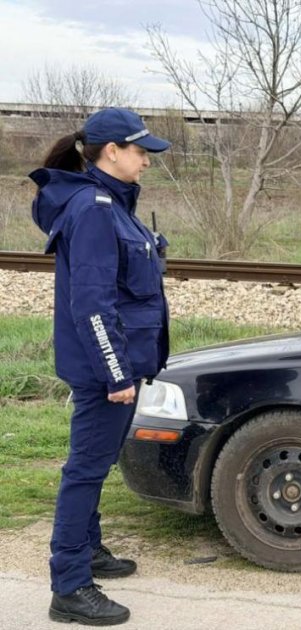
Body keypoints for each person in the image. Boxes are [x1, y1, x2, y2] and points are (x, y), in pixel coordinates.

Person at [30, 108, 171, 626]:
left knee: (93, 463)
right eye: (140, 152)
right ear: (111, 151)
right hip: (102, 371)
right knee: (85, 472)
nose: (146, 163)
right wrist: (115, 375)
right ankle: (69, 586)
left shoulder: (113, 205)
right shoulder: (93, 209)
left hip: (115, 366)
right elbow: (91, 305)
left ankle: (88, 552)